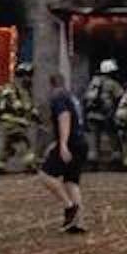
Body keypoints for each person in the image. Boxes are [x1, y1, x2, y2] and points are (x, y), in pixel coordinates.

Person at [37, 71, 89, 233]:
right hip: (81, 142)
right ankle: (77, 222)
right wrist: (57, 143)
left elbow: (64, 118)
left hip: (71, 143)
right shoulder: (71, 97)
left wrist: (63, 144)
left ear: (51, 84)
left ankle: (69, 206)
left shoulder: (58, 97)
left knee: (45, 175)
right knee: (71, 182)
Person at [0, 61, 37, 171]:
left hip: (14, 122)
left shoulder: (25, 91)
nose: (30, 79)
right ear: (22, 76)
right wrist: (27, 116)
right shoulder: (11, 90)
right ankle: (30, 165)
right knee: (26, 142)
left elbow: (28, 105)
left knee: (8, 148)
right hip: (12, 121)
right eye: (28, 76)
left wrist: (34, 114)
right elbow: (18, 107)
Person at [83, 59, 125, 166]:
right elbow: (121, 97)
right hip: (106, 115)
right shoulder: (112, 84)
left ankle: (92, 159)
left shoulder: (93, 82)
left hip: (92, 114)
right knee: (113, 138)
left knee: (93, 139)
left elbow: (85, 97)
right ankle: (116, 159)